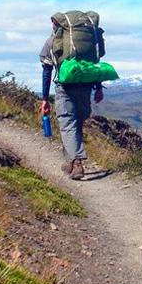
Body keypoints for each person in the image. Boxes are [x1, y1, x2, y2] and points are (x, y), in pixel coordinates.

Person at [40, 33, 103, 180]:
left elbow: (47, 71)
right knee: (77, 123)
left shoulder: (52, 41)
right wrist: (98, 88)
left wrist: (44, 98)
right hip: (86, 86)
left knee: (68, 123)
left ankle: (77, 163)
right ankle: (70, 161)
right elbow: (95, 64)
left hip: (65, 87)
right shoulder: (86, 40)